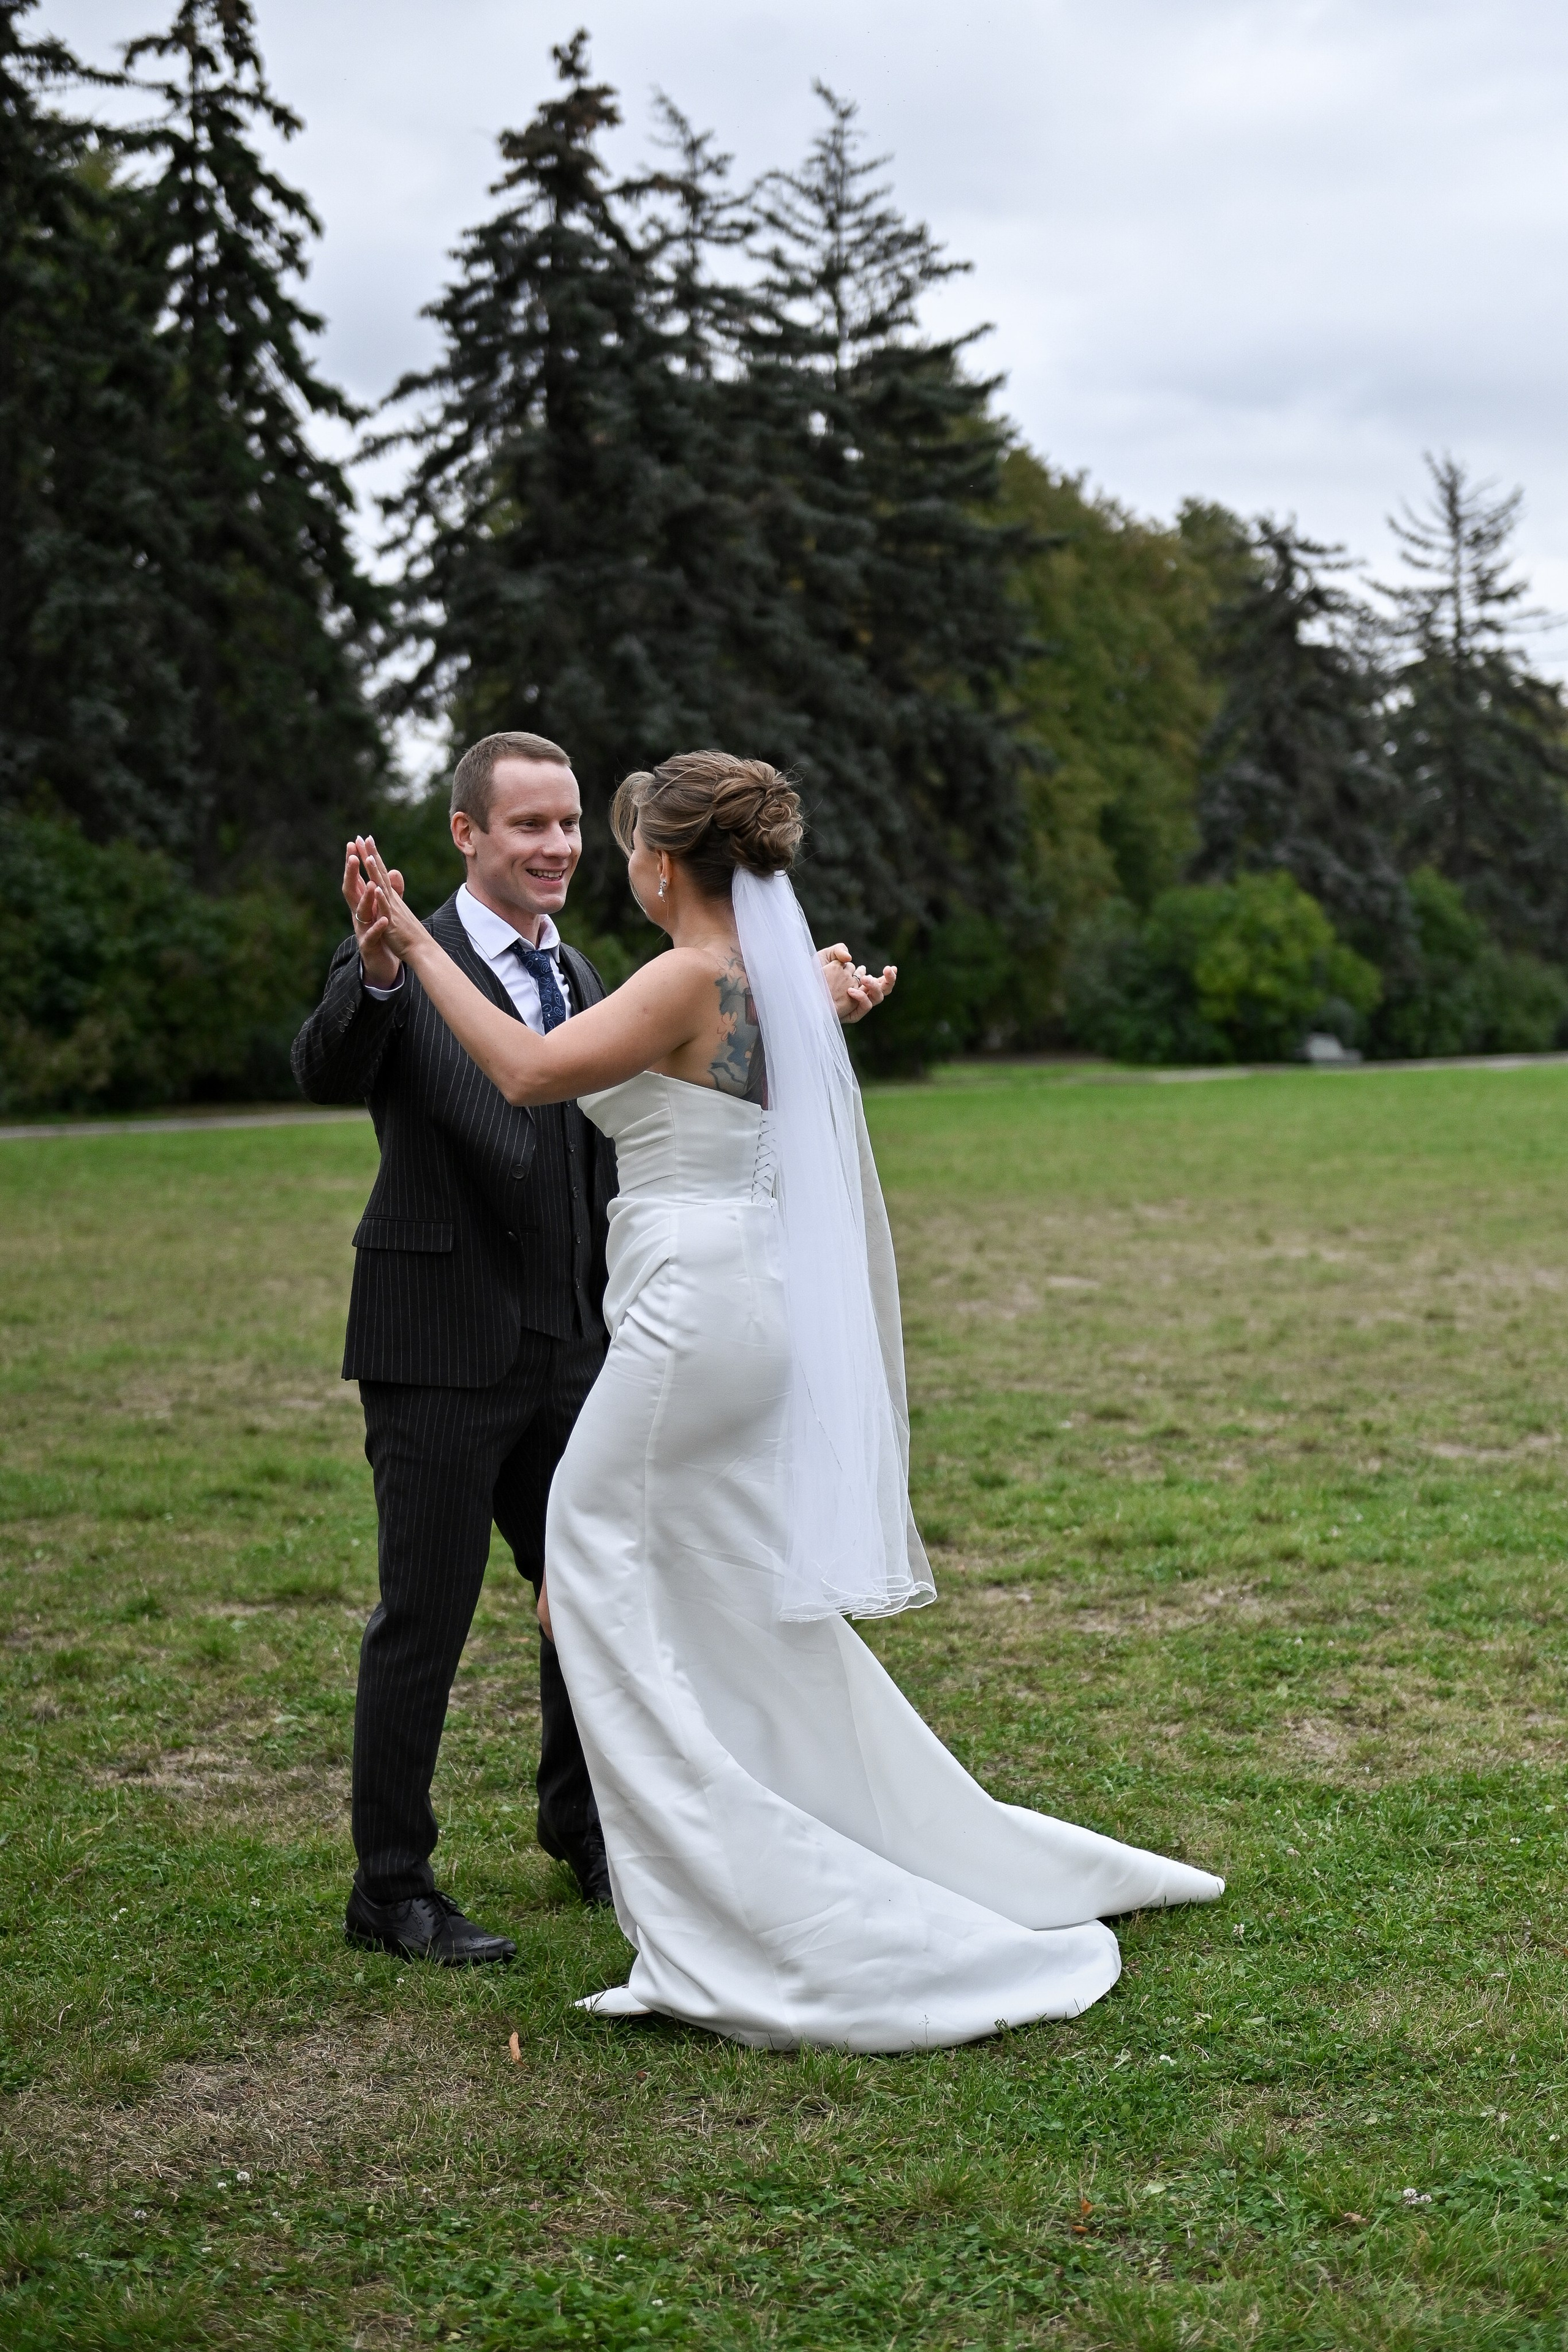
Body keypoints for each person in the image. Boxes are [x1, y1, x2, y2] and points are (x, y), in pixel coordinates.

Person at [350, 750, 1224, 2051]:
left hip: (685, 1311)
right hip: (737, 1302)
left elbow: (531, 1075)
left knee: (586, 1578)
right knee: (708, 1588)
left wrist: (418, 942)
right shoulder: (770, 982)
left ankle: (735, 1893)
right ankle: (828, 1828)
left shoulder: (686, 975)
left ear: (658, 864)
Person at [292, 732, 889, 1967]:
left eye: (572, 825)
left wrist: (794, 1008)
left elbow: (668, 1103)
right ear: (466, 835)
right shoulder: (412, 952)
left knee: (592, 1587)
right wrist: (384, 961)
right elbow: (323, 1066)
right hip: (442, 1339)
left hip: (589, 1333)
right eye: (530, 827)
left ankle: (585, 1831)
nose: (561, 847)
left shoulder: (622, 972)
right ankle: (390, 1885)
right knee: (427, 1614)